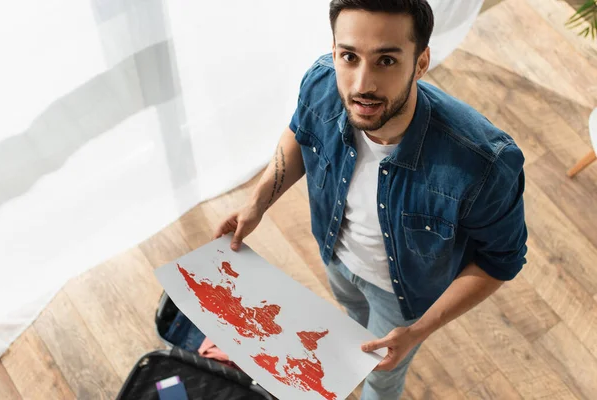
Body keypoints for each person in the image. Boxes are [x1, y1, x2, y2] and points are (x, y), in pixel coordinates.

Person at [214, 0, 528, 398]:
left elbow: (502, 261)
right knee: (352, 320)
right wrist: (257, 202)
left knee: (381, 377)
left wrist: (416, 332)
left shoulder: (483, 162)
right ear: (334, 52)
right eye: (349, 56)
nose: (362, 83)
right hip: (335, 255)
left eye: (386, 61)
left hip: (403, 293)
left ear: (421, 62)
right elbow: (300, 129)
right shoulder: (321, 81)